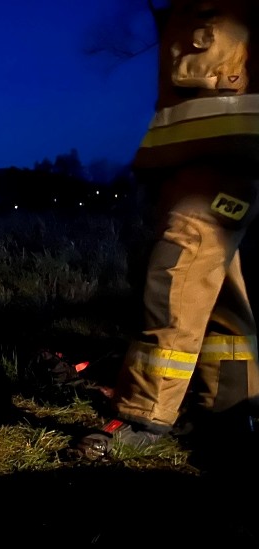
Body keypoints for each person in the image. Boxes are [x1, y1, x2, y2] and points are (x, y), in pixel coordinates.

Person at [72, 0, 259, 461]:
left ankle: (145, 412)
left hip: (223, 161)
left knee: (175, 274)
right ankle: (229, 409)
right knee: (218, 292)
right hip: (195, 163)